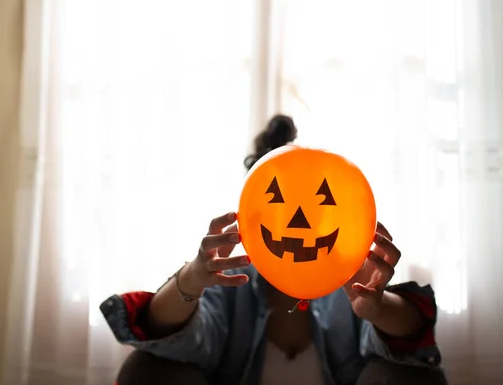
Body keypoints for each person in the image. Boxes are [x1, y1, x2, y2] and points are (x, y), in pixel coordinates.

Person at [101, 115, 447, 385]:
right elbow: (178, 338)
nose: (296, 221)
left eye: (319, 199)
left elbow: (403, 339)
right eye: (276, 198)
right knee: (146, 369)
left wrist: (377, 305)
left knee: (414, 374)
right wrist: (192, 277)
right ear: (250, 211)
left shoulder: (347, 273)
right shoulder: (232, 279)